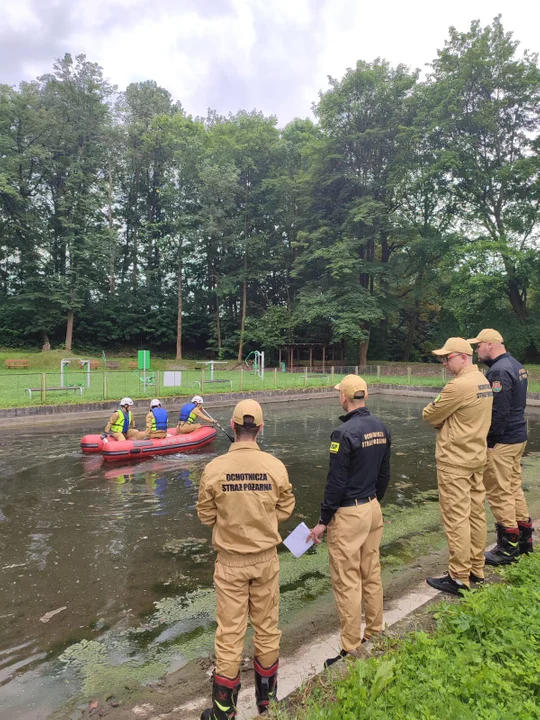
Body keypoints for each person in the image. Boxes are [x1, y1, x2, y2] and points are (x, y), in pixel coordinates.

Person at [196, 399, 295, 719]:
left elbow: (206, 516)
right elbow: (285, 508)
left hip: (230, 563)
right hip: (266, 561)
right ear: (261, 428)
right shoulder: (276, 466)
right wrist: (262, 520)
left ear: (233, 425)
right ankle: (268, 704)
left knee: (229, 633)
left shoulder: (213, 469)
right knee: (267, 629)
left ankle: (224, 710)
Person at [307, 374, 391, 668]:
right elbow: (384, 474)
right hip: (372, 507)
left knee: (347, 582)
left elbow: (336, 483)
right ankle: (376, 631)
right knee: (371, 572)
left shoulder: (342, 434)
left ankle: (350, 648)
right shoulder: (380, 428)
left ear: (344, 397)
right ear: (364, 396)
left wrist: (323, 520)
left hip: (349, 512)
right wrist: (374, 500)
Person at [423, 338, 493, 595]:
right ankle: (477, 568)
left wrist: (445, 419)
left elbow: (429, 414)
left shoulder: (458, 386)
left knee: (456, 519)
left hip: (455, 460)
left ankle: (458, 577)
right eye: (443, 358)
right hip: (476, 457)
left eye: (447, 358)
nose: (444, 363)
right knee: (476, 514)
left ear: (464, 357)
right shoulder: (483, 381)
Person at [467, 328, 534, 562]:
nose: (477, 350)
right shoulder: (516, 365)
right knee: (514, 486)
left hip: (503, 440)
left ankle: (507, 547)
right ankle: (525, 538)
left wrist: (490, 441)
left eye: (478, 346)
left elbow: (499, 410)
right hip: (518, 436)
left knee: (498, 491)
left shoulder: (498, 371)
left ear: (490, 345)